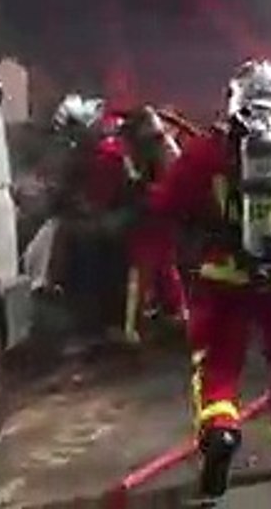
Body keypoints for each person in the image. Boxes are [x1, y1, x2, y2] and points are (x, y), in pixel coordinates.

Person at [148, 59, 271, 498]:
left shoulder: (207, 153)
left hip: (223, 278)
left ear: (235, 99)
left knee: (218, 364)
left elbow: (166, 201)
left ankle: (220, 429)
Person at [50, 94, 184, 345]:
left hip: (148, 217)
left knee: (140, 267)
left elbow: (135, 192)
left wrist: (105, 214)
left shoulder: (118, 154)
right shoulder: (138, 149)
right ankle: (170, 314)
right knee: (161, 266)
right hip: (150, 215)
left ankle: (129, 329)